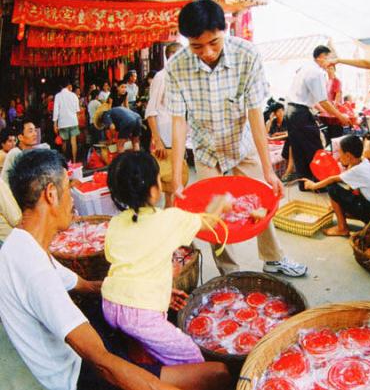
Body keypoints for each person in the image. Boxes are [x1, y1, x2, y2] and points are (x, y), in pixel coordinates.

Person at [0, 148, 230, 390]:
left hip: (106, 324)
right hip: (83, 374)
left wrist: (146, 289)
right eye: (69, 188)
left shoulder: (19, 247)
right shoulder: (36, 273)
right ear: (51, 194)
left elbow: (86, 285)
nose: (73, 200)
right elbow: (101, 363)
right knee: (218, 374)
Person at [166, 0, 306, 277]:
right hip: (206, 149)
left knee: (261, 201)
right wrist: (178, 179)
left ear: (226, 29)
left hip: (242, 145)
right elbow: (179, 122)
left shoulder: (247, 55)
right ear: (186, 41)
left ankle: (273, 258)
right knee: (213, 214)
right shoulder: (175, 67)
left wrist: (268, 169)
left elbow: (255, 114)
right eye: (196, 46)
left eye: (214, 43)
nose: (206, 52)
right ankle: (229, 271)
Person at [102, 151, 232, 366]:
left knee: (139, 346)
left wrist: (160, 288)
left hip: (111, 304)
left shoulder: (115, 223)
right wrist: (223, 202)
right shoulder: (170, 220)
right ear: (154, 189)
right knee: (192, 357)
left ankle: (142, 361)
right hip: (141, 314)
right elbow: (211, 221)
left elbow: (127, 264)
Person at [286, 45, 351, 190]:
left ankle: (304, 184)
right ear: (321, 57)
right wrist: (340, 116)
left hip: (291, 112)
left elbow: (315, 100)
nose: (332, 62)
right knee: (315, 149)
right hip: (301, 113)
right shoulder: (317, 72)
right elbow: (323, 100)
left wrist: (326, 111)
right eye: (330, 58)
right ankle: (320, 185)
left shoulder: (305, 68)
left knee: (299, 150)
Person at [304, 135, 370, 236]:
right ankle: (347, 216)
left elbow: (332, 179)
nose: (339, 158)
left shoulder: (357, 170)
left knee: (332, 188)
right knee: (347, 192)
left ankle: (342, 228)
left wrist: (313, 185)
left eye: (340, 153)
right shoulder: (364, 161)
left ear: (348, 155)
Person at [146, 42, 188, 208]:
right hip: (165, 138)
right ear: (171, 57)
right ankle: (168, 223)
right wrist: (157, 140)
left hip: (176, 136)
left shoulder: (179, 77)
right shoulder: (161, 77)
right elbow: (151, 112)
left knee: (176, 186)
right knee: (170, 188)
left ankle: (172, 222)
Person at [1, 119, 37, 185]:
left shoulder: (30, 152)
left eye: (35, 130)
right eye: (30, 131)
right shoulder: (15, 153)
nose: (35, 134)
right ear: (20, 137)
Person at [53, 79, 80, 163]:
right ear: (68, 86)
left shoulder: (58, 96)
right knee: (73, 141)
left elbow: (56, 111)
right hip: (73, 122)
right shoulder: (74, 95)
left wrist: (55, 124)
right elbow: (77, 110)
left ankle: (66, 160)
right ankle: (74, 160)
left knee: (64, 142)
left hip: (63, 123)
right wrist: (77, 121)